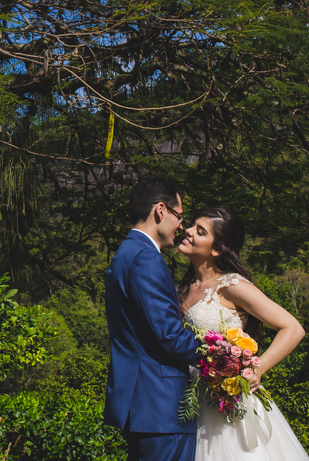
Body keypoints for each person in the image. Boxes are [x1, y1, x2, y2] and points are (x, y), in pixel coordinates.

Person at [176, 206, 309, 460]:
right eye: (192, 225)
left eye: (200, 231)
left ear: (216, 249)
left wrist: (257, 369)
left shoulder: (232, 285)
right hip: (189, 403)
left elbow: (292, 328)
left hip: (227, 408)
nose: (189, 231)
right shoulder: (183, 287)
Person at [105, 175, 201, 461]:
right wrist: (219, 357)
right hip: (161, 405)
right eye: (179, 215)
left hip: (139, 402)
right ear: (160, 210)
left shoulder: (124, 254)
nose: (181, 225)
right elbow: (169, 333)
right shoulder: (146, 257)